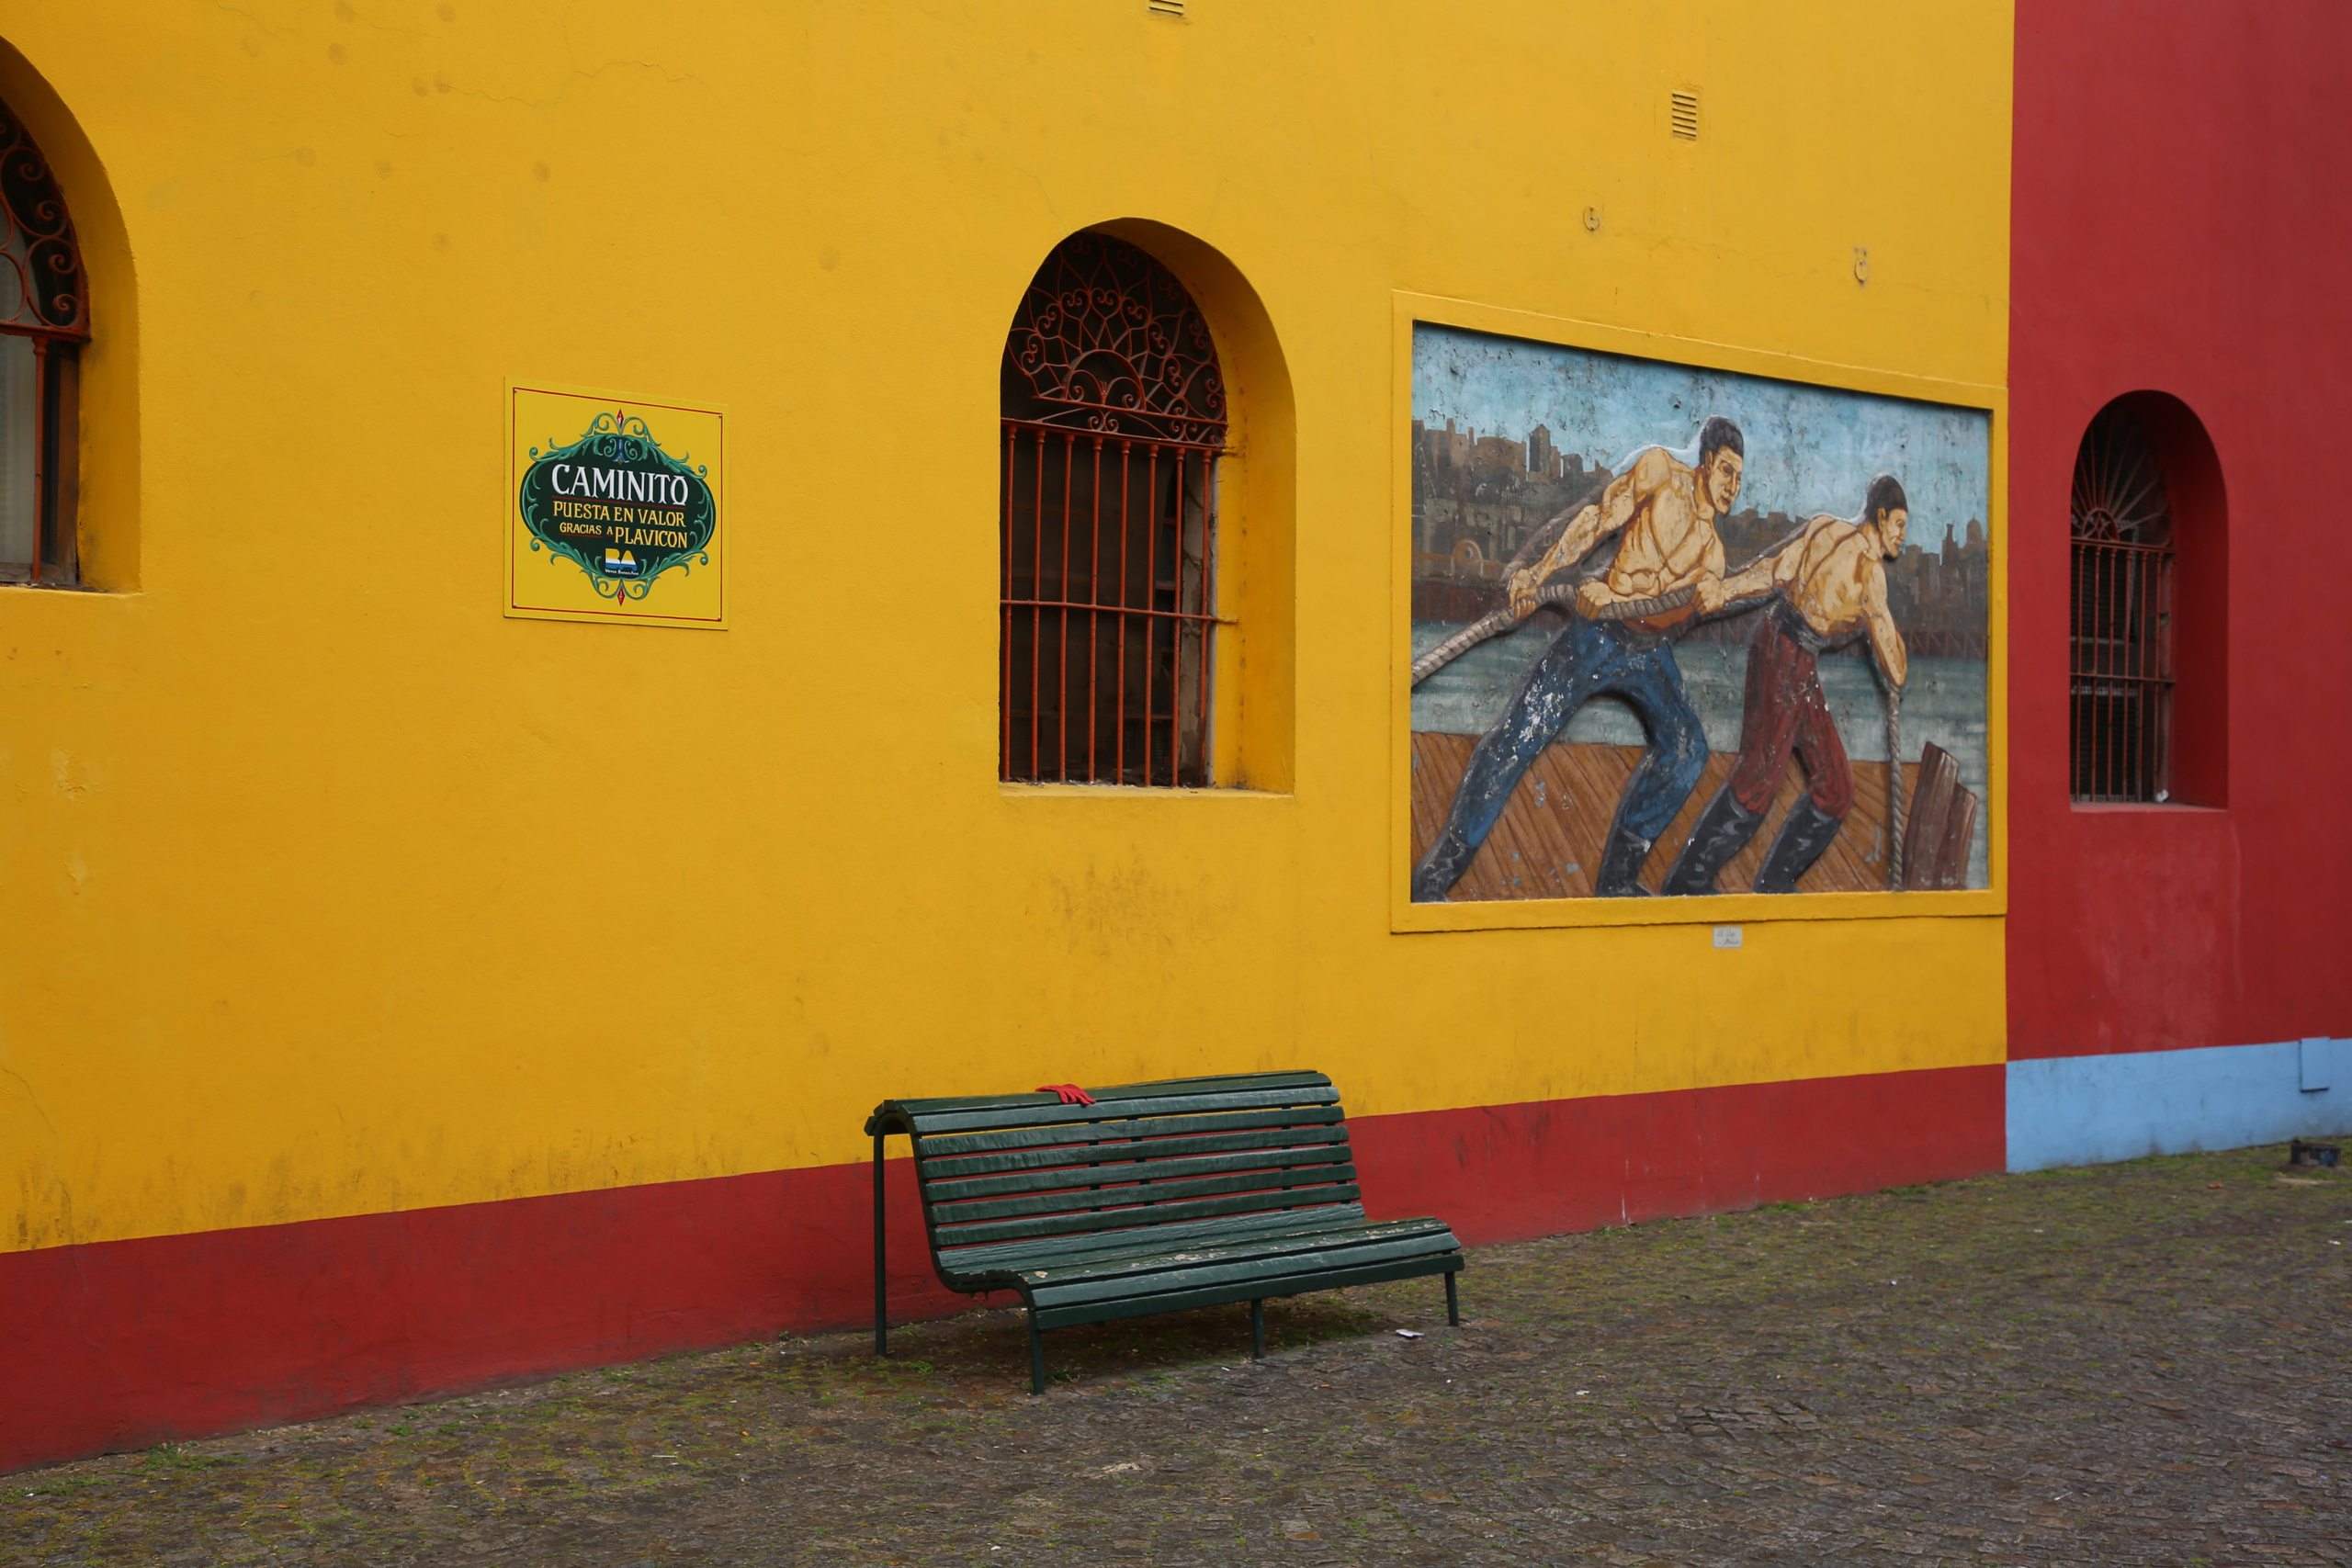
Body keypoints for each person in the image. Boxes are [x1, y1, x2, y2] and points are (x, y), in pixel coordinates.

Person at [1412, 417, 1744, 901]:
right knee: (1517, 736)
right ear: (1707, 461)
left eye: (1739, 478)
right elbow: (1597, 519)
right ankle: (1437, 875)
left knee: (1688, 750)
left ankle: (1618, 879)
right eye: (1727, 472)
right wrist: (1539, 574)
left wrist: (1697, 600)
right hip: (1598, 636)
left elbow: (1669, 615)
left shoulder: (1712, 558)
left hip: (1649, 655)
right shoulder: (1658, 472)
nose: (1733, 487)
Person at [1660, 473, 1911, 896]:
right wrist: (1876, 621)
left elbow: (1774, 570)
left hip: (1785, 649)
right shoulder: (1870, 572)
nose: (1902, 538)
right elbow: (1898, 669)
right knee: (1758, 779)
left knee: (1835, 788)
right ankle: (1689, 877)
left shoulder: (1824, 527)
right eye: (1900, 526)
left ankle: (1775, 880)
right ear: (1881, 517)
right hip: (1787, 658)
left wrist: (1726, 590)